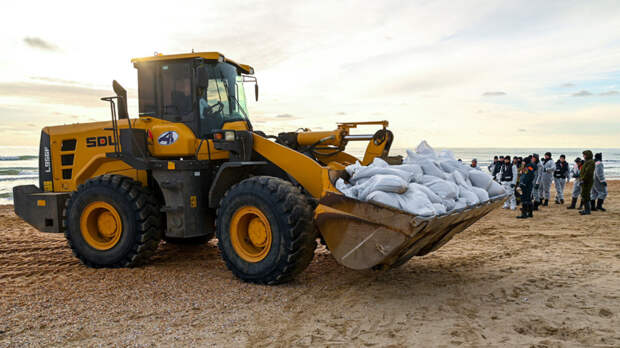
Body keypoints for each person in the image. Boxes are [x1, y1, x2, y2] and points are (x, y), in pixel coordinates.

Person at [579, 150, 595, 215]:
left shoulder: (590, 162)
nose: (583, 156)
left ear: (587, 155)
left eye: (584, 155)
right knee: (584, 194)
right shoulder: (587, 162)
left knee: (586, 194)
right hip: (585, 180)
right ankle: (586, 209)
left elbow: (588, 172)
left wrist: (583, 179)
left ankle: (587, 210)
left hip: (587, 180)